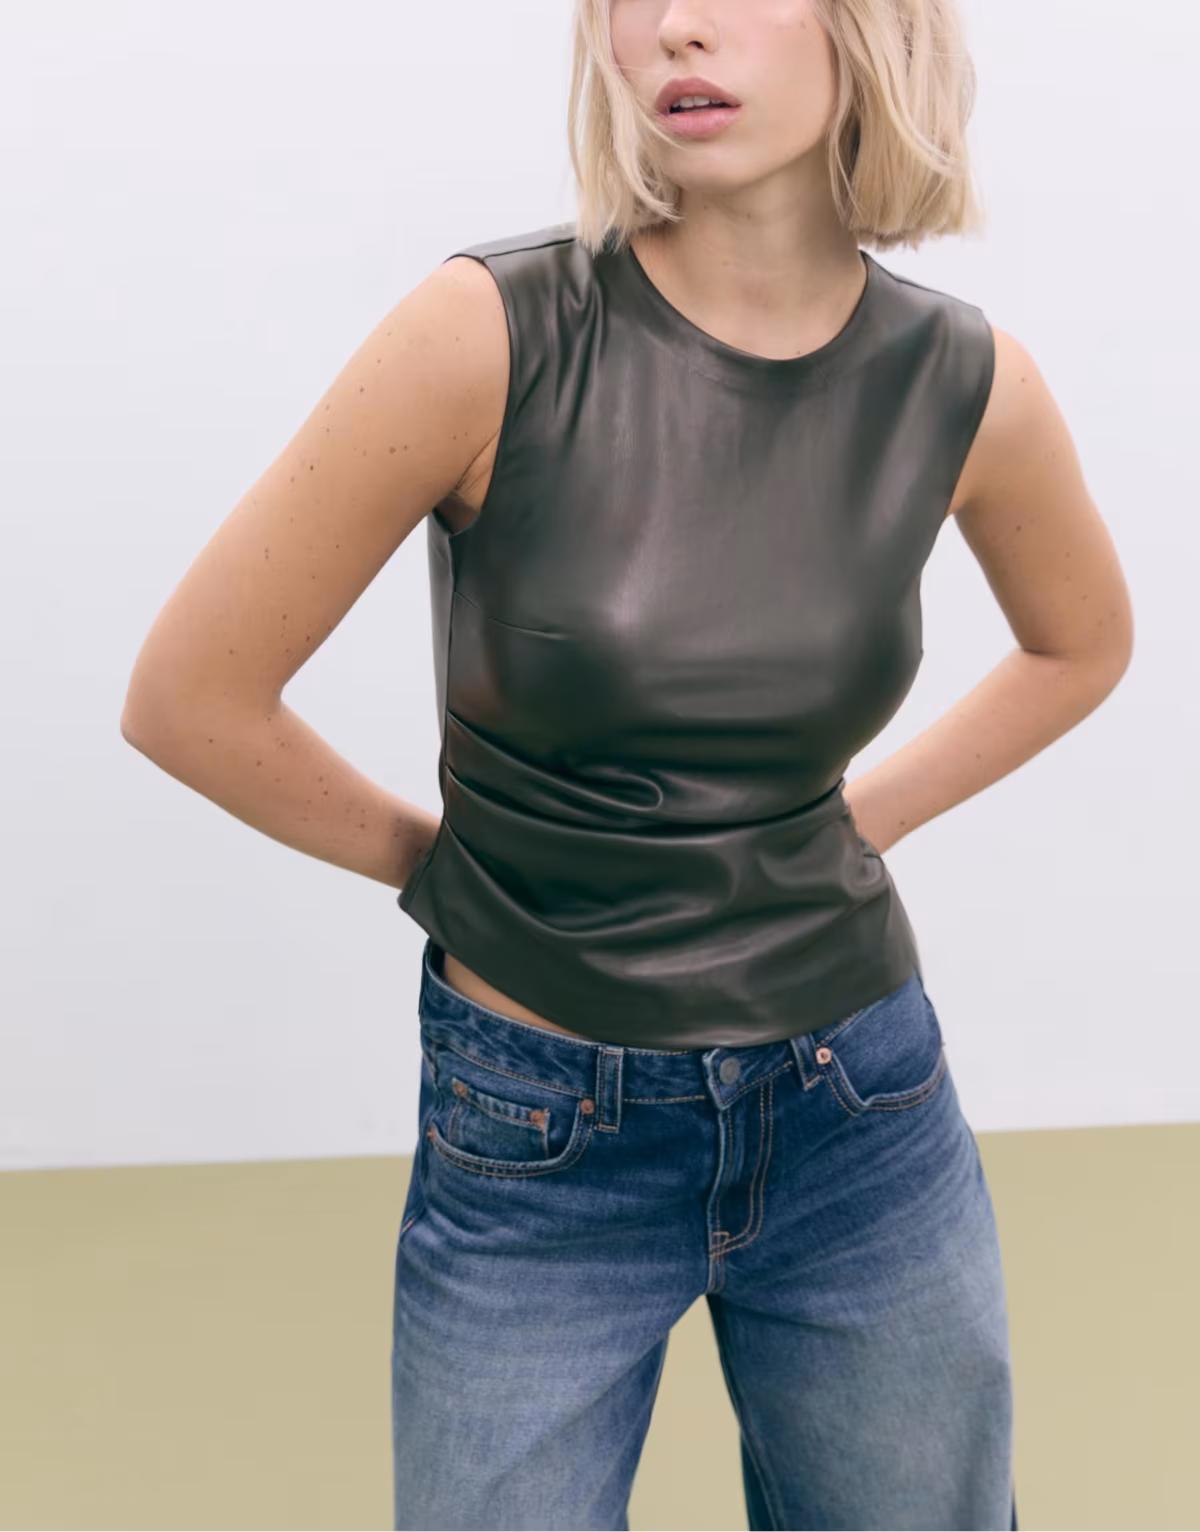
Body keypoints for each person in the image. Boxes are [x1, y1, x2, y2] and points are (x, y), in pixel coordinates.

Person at [121, 2, 1133, 1528]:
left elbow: (1082, 646)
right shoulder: (487, 331)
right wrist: (450, 873)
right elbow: (190, 698)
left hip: (857, 1105)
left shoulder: (963, 380)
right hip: (539, 1129)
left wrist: (855, 825)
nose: (674, 28)